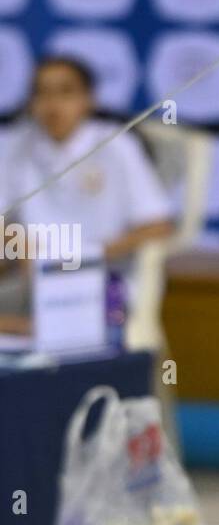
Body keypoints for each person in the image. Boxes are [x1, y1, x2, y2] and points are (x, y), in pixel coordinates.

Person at [0, 56, 174, 332]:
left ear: (88, 99)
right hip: (31, 279)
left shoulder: (118, 145)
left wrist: (87, 258)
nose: (53, 104)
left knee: (61, 326)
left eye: (65, 92)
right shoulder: (15, 144)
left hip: (103, 278)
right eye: (42, 93)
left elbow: (158, 224)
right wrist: (20, 247)